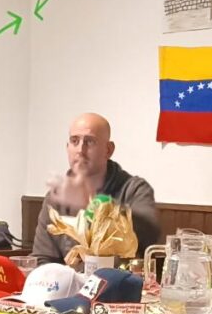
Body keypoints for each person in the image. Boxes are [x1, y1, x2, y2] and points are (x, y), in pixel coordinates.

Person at [31, 113, 160, 266]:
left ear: (108, 150)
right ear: (67, 147)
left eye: (89, 141)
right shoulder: (57, 197)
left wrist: (93, 203)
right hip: (70, 280)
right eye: (74, 141)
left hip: (119, 280)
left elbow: (148, 234)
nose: (80, 149)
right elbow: (43, 259)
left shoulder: (134, 189)